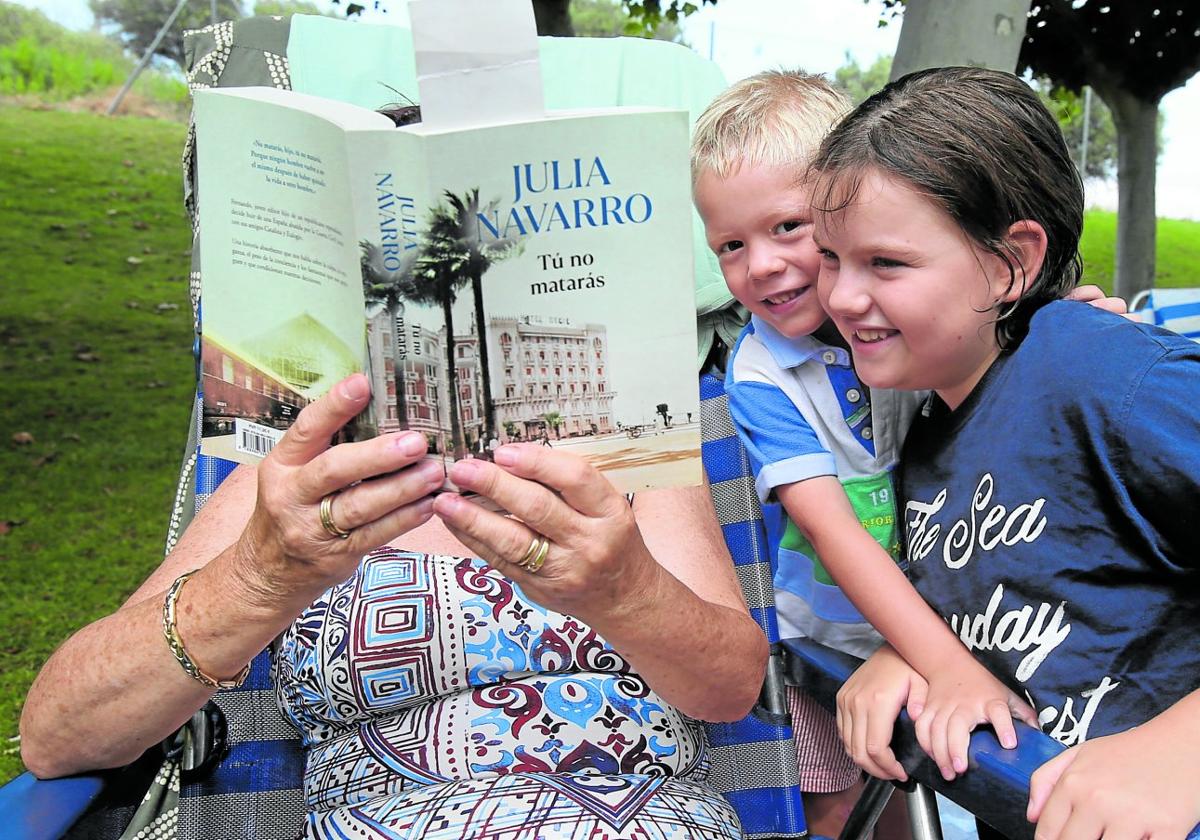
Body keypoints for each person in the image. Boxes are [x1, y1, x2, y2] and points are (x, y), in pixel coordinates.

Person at [20, 374, 769, 839]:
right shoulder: (286, 486)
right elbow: (59, 737)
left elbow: (731, 687)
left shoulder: (632, 450)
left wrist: (622, 589)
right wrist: (259, 578)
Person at [690, 69, 1128, 837]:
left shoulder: (908, 328)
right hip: (829, 638)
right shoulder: (763, 376)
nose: (758, 265)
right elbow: (835, 532)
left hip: (960, 616)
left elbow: (1001, 349)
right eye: (730, 244)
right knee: (843, 802)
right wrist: (937, 660)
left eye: (788, 229)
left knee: (933, 784)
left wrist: (1063, 326)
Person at [812, 66, 1200, 839]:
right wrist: (921, 652)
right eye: (831, 257)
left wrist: (1181, 750)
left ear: (1009, 263)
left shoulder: (1100, 373)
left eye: (884, 263)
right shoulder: (927, 427)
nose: (842, 298)